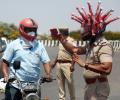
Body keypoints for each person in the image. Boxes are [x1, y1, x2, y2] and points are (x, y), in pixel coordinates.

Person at [51, 2, 119, 100]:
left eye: (85, 27)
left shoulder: (104, 45)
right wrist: (61, 39)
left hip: (98, 88)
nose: (82, 31)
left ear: (95, 28)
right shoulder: (91, 44)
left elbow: (107, 69)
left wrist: (85, 65)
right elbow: (75, 49)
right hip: (90, 87)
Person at [1, 18, 52, 100]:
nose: (31, 32)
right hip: (16, 84)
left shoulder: (39, 45)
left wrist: (48, 74)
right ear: (22, 29)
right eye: (28, 29)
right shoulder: (14, 45)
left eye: (33, 30)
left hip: (35, 85)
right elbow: (5, 62)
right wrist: (6, 76)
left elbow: (46, 61)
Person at [51, 28, 76, 100]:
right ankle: (61, 99)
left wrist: (72, 65)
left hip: (67, 64)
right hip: (59, 64)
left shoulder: (71, 40)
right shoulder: (61, 40)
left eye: (60, 32)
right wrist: (54, 63)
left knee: (70, 84)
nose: (59, 34)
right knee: (60, 84)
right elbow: (59, 52)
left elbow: (75, 53)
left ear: (63, 33)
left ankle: (72, 98)